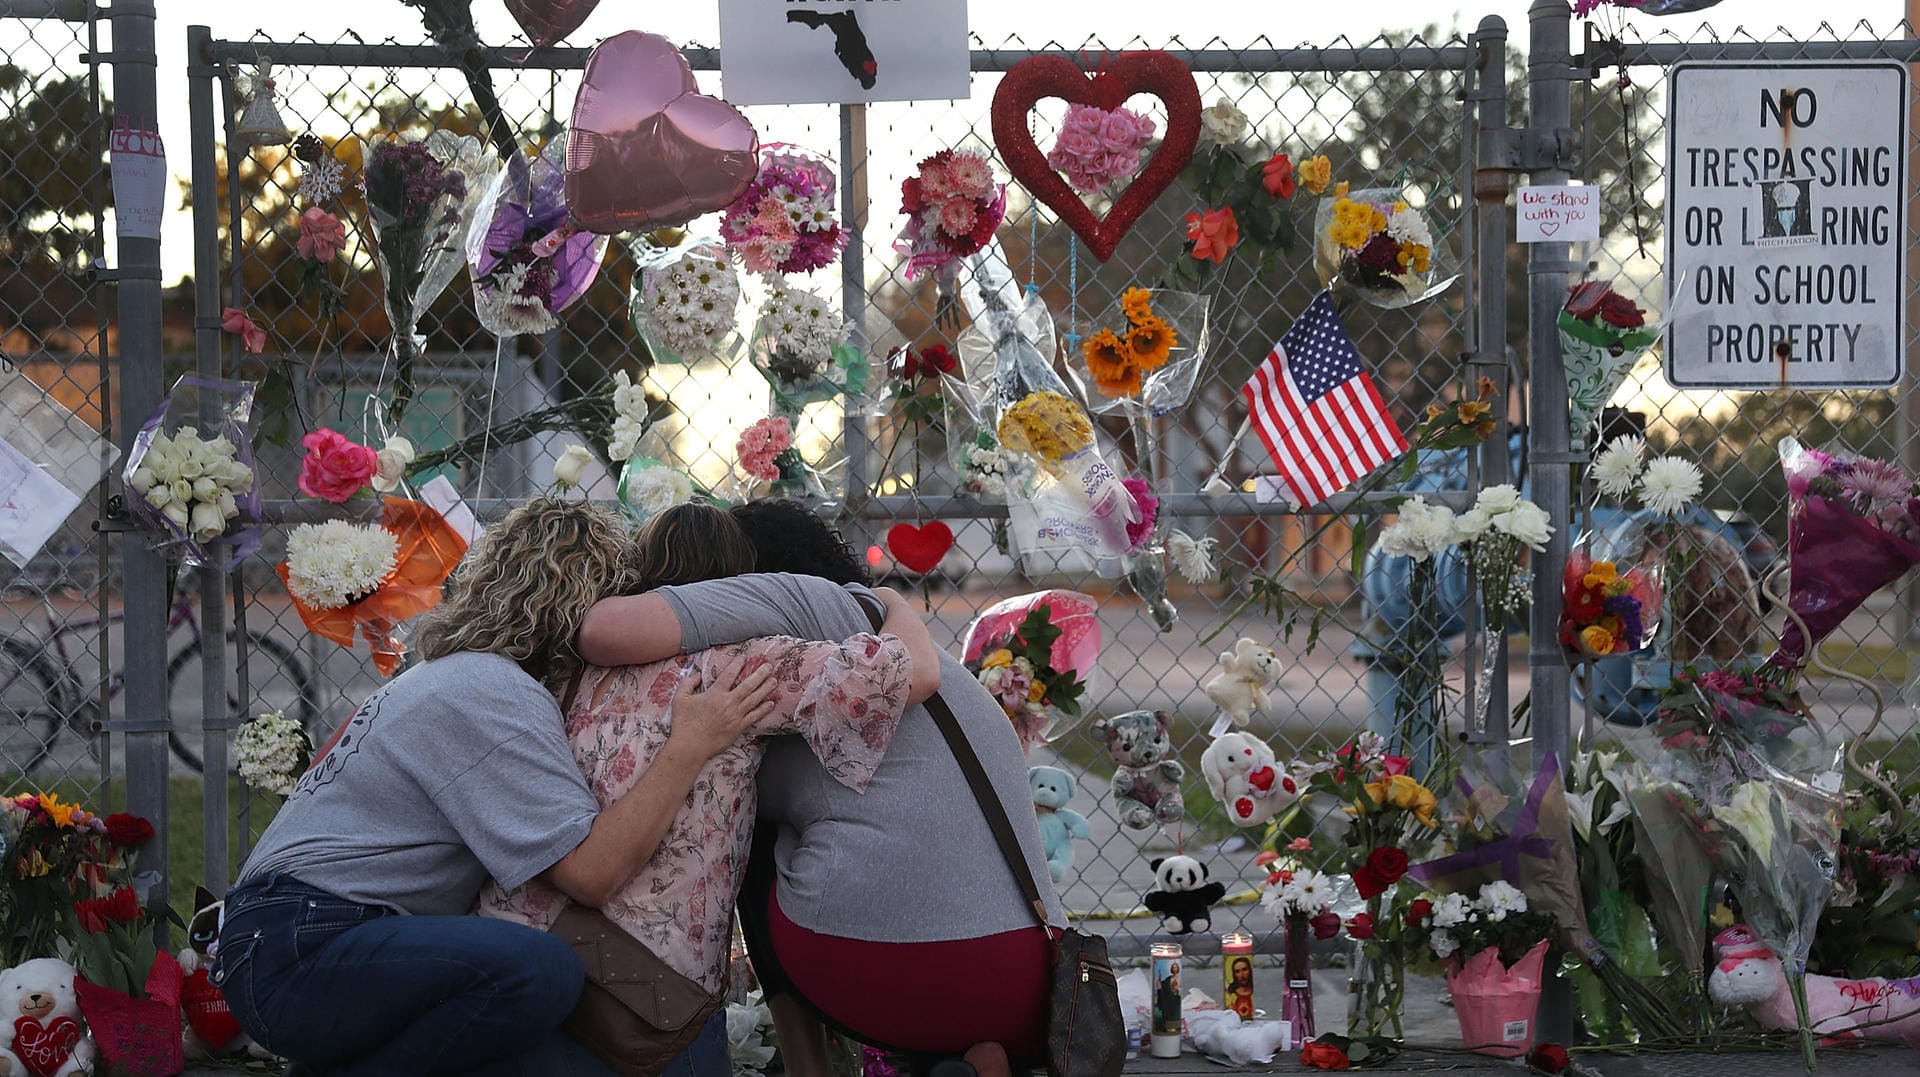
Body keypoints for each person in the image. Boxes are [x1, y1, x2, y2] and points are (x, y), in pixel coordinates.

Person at [216, 497, 776, 1077]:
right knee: (539, 971)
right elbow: (591, 873)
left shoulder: (447, 677)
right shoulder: (494, 694)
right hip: (303, 945)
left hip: (286, 937)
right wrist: (689, 746)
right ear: (583, 610)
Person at [577, 500, 1066, 1077]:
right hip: (1028, 971)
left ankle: (811, 1068)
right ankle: (963, 1054)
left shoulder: (782, 616)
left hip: (877, 964)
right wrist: (894, 602)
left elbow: (598, 630)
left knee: (754, 829)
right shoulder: (875, 630)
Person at [478, 504, 940, 1004]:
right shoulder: (744, 664)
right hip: (644, 980)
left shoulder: (567, 665)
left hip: (509, 937)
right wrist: (894, 604)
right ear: (740, 581)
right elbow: (904, 675)